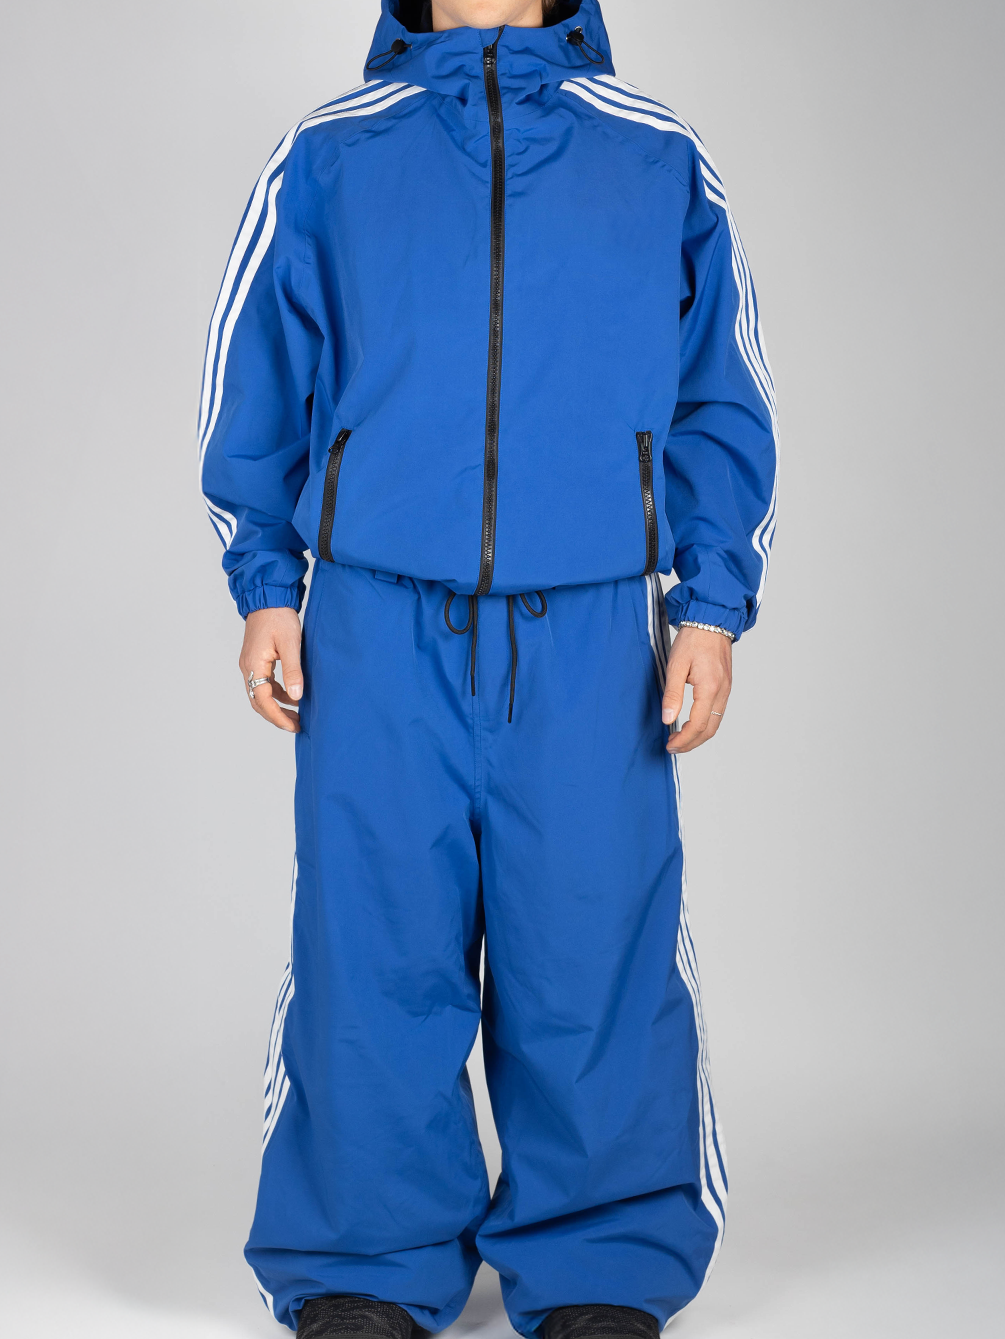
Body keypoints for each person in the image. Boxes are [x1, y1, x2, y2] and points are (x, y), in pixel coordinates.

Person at [198, 0, 777, 1335]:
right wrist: (266, 579)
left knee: (593, 944)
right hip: (373, 620)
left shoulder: (656, 155)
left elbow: (719, 391)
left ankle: (601, 1260)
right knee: (371, 944)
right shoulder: (332, 153)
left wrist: (711, 603)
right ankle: (364, 1259)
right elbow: (258, 377)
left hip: (588, 629)